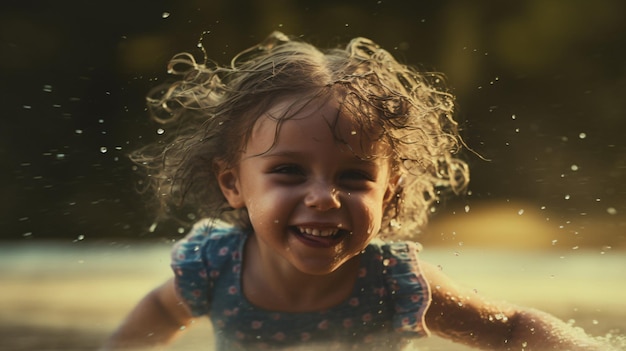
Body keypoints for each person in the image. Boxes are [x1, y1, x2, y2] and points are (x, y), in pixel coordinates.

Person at [101, 32, 611, 350]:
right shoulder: (213, 269)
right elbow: (145, 328)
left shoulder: (395, 282)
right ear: (232, 183)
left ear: (389, 195)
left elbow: (512, 328)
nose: (323, 197)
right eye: (289, 172)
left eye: (353, 178)